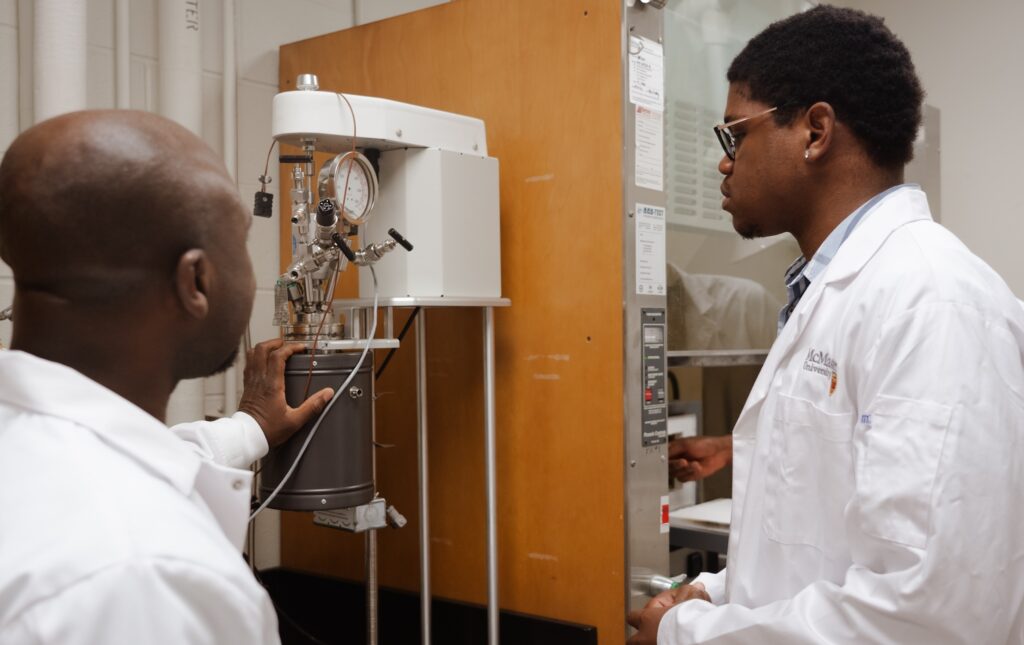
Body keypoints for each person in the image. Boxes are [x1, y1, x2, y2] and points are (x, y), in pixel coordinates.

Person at [630, 6, 1024, 644]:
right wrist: (715, 591)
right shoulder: (832, 295)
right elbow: (813, 543)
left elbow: (928, 613)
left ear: (814, 131)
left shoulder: (933, 301)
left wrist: (684, 636)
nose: (723, 164)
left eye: (736, 135)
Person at [0, 110, 333, 643]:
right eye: (242, 243)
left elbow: (118, 458)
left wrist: (250, 426)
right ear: (195, 280)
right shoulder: (153, 578)